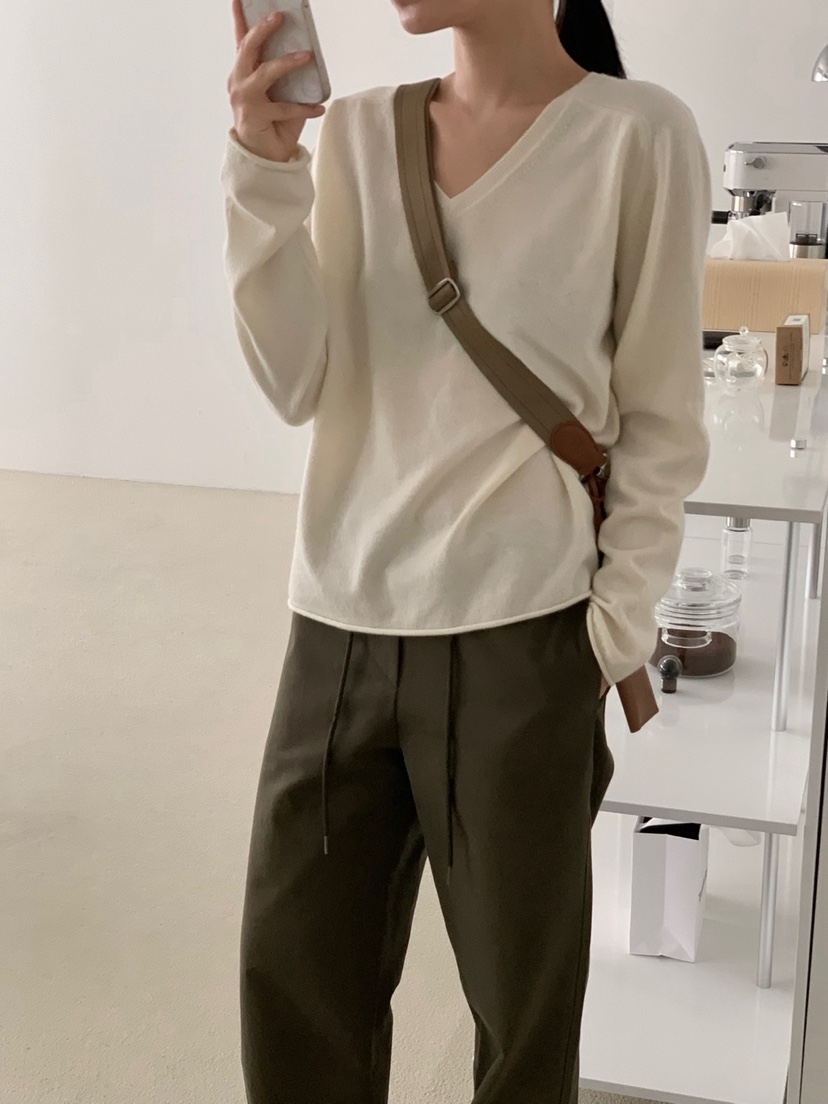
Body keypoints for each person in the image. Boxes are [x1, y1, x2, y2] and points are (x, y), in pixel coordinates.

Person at [221, 0, 711, 1101]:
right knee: (295, 994)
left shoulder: (638, 135)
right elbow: (295, 382)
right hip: (338, 630)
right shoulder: (356, 132)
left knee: (523, 1024)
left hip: (522, 640)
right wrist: (262, 168)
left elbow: (663, 420)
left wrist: (609, 634)